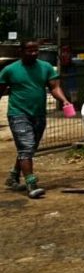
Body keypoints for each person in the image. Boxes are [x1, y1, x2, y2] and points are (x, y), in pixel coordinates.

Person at [0, 40, 72, 198]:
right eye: (29, 51)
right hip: (17, 113)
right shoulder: (10, 70)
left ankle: (13, 176)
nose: (33, 54)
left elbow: (54, 87)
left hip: (38, 114)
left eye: (36, 51)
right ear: (21, 51)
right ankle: (31, 184)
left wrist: (64, 100)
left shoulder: (45, 67)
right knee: (26, 147)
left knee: (29, 149)